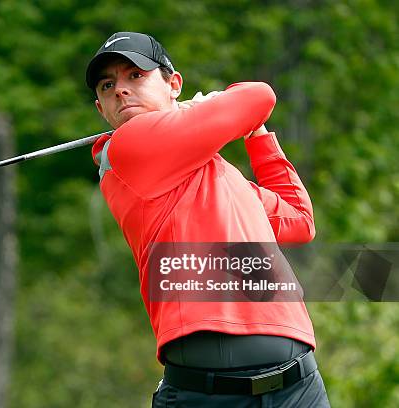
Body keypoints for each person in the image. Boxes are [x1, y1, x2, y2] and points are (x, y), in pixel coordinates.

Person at [86, 32, 331, 407]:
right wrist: (218, 107)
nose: (120, 90)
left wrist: (257, 133)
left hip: (298, 386)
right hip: (207, 395)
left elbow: (299, 219)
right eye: (108, 85)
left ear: (174, 84)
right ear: (102, 110)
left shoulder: (223, 175)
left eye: (135, 76)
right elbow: (259, 96)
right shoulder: (126, 149)